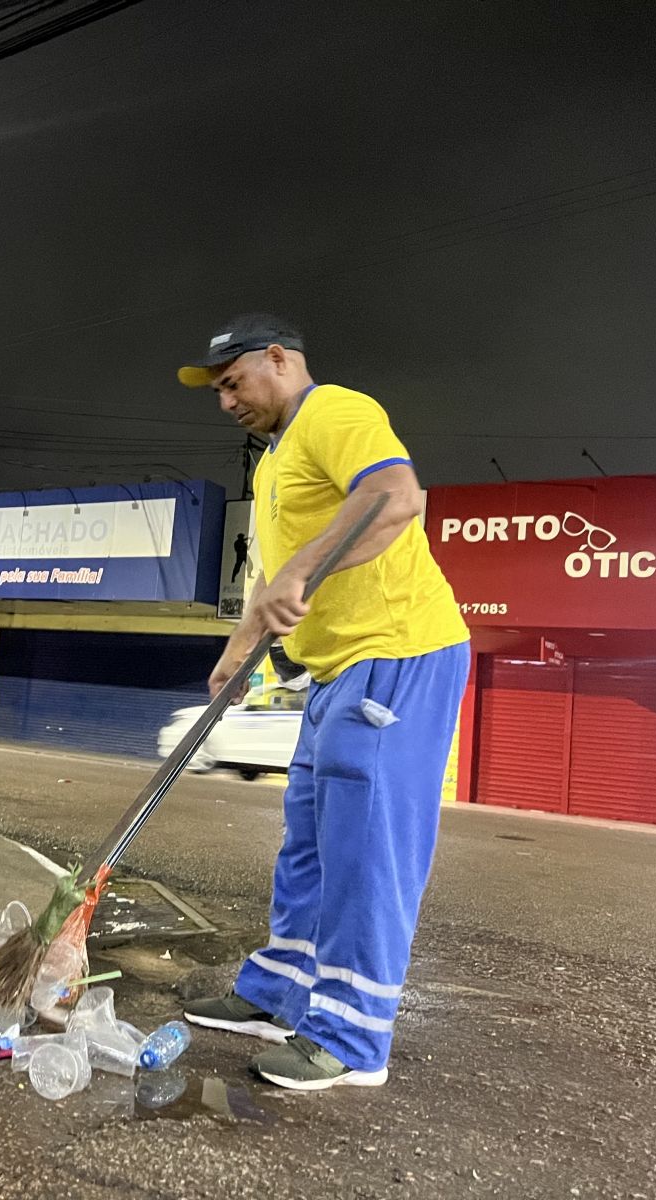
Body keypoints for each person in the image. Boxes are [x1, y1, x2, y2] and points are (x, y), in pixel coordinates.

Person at [176, 314, 469, 1091]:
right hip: (337, 670)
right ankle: (278, 992)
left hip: (398, 653)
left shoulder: (334, 411)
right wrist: (239, 653)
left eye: (233, 382)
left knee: (366, 849)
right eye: (218, 391)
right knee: (307, 838)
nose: (225, 401)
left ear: (279, 359)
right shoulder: (274, 460)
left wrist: (303, 569)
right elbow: (277, 583)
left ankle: (350, 1035)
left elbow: (395, 495)